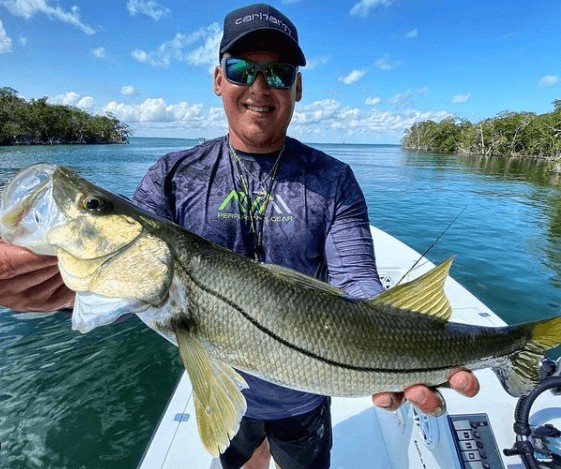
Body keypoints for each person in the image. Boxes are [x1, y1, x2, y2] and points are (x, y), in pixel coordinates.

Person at [0, 3, 479, 468]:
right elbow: (135, 287)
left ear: (297, 87)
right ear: (217, 79)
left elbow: (356, 280)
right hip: (225, 385)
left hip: (308, 394)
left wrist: (402, 336)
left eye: (278, 73)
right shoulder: (171, 175)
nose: (258, 85)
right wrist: (64, 290)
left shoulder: (333, 179)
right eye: (240, 68)